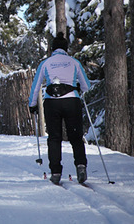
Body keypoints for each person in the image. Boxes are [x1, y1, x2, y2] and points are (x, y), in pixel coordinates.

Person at [27, 32, 92, 184]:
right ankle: (81, 166)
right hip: (72, 102)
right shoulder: (74, 62)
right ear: (66, 48)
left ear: (52, 49)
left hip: (52, 103)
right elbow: (86, 86)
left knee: (54, 138)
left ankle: (55, 172)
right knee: (75, 137)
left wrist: (32, 105)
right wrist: (76, 87)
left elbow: (35, 86)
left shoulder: (46, 63)